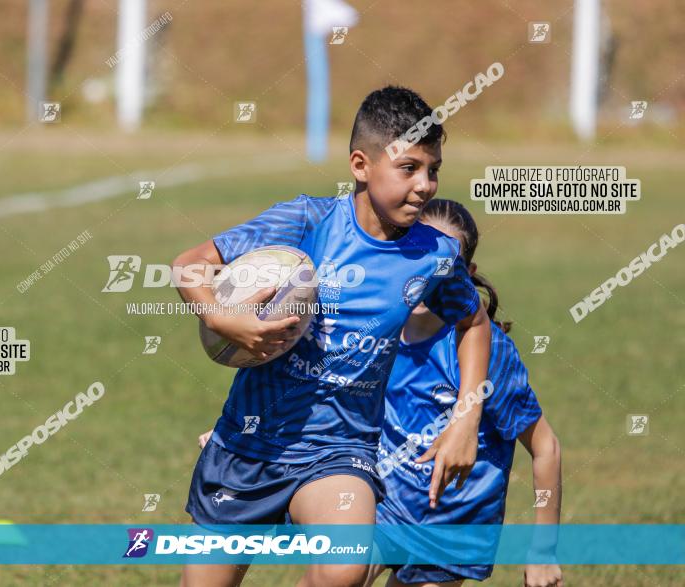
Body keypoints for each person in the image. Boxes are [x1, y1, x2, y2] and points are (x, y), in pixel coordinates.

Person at [173, 86, 492, 587]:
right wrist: (220, 318)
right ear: (360, 165)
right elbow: (190, 265)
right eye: (408, 168)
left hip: (340, 448)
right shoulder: (306, 221)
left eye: (434, 170)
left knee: (343, 568)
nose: (425, 184)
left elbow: (473, 322)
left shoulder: (436, 254)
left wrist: (466, 418)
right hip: (249, 445)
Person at [367, 199, 563, 587]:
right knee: (336, 575)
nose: (430, 277)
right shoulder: (379, 328)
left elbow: (546, 448)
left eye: (445, 266)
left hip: (454, 525)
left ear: (466, 275)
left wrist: (543, 550)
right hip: (386, 505)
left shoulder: (489, 355)